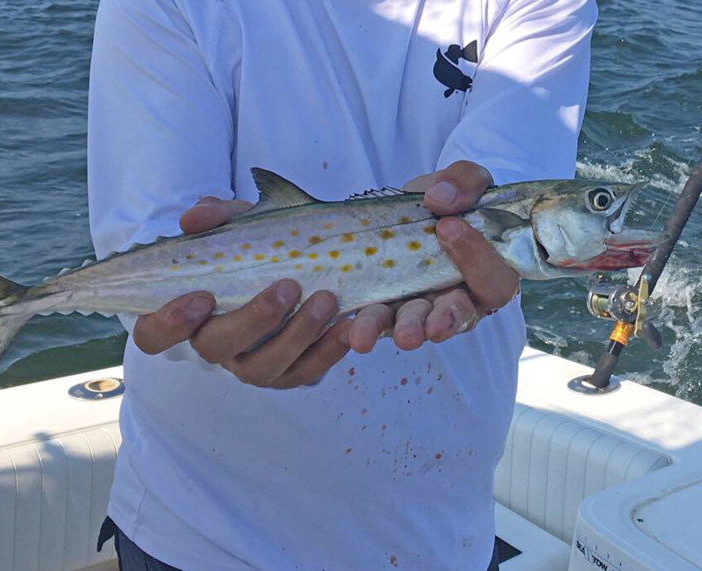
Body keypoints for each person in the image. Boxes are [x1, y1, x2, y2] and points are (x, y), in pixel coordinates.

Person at [88, 0, 596, 569]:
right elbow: (154, 234)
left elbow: (506, 181)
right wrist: (208, 325)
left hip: (437, 528)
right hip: (198, 526)